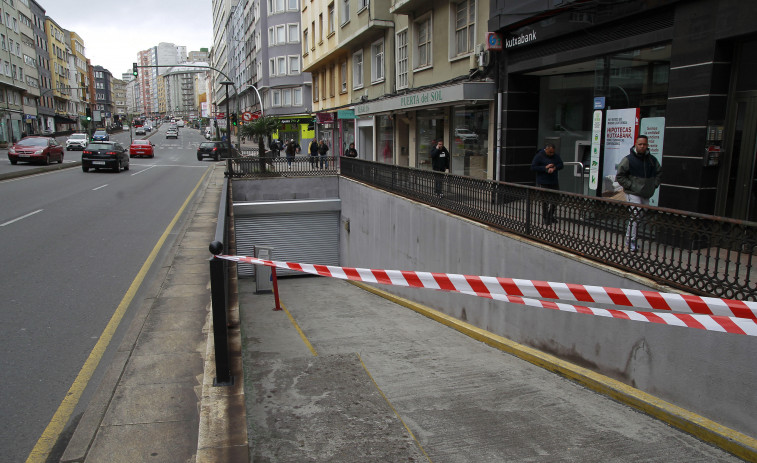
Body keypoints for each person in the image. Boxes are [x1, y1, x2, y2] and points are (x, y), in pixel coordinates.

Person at [616, 134, 662, 252]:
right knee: (636, 215)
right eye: (640, 144)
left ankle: (629, 238)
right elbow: (620, 176)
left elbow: (659, 173)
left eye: (644, 144)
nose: (642, 146)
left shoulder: (652, 160)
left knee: (639, 216)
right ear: (636, 144)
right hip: (633, 193)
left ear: (647, 145)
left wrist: (654, 185)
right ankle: (631, 239)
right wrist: (631, 186)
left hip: (646, 193)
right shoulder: (628, 160)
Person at [531, 143, 564, 225]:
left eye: (553, 152)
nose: (551, 154)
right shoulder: (539, 156)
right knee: (545, 201)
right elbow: (533, 167)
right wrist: (545, 167)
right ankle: (545, 217)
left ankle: (550, 215)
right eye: (550, 152)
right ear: (546, 149)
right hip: (543, 181)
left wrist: (554, 168)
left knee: (556, 199)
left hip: (553, 181)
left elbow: (561, 164)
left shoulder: (555, 156)